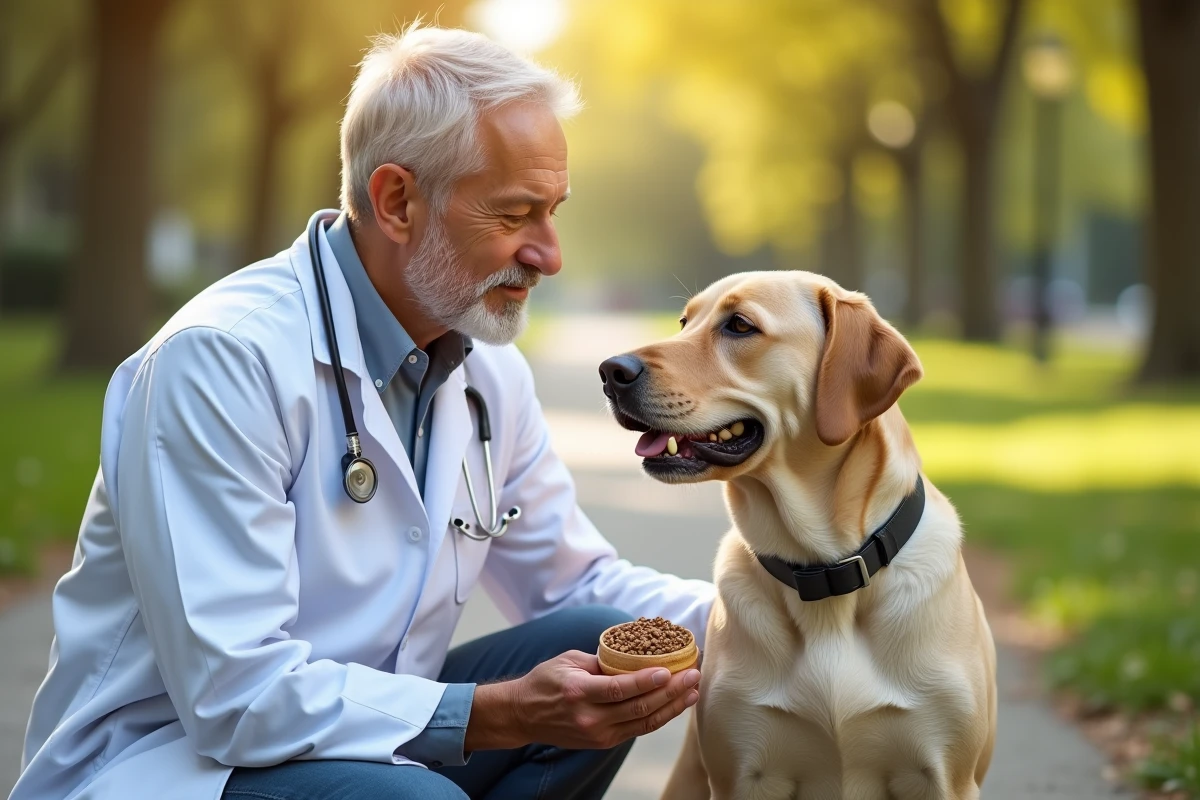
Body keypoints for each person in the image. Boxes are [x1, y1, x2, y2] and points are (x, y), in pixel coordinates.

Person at [9, 23, 714, 800]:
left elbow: (576, 584)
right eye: (515, 216)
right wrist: (499, 714)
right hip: (173, 764)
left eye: (554, 212)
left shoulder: (488, 373)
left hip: (359, 739)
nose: (550, 254)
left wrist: (794, 605)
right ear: (397, 201)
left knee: (602, 645)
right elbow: (235, 696)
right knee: (420, 798)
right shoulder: (219, 361)